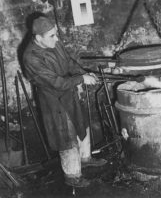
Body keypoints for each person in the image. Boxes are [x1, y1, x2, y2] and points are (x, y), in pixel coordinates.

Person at [22, 16, 107, 188]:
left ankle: (86, 159)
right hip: (54, 101)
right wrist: (81, 78)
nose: (57, 38)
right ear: (39, 38)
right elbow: (56, 83)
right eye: (52, 36)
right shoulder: (30, 58)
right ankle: (73, 176)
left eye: (56, 34)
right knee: (66, 137)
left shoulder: (53, 43)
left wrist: (84, 73)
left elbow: (68, 63)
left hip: (69, 92)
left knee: (81, 125)